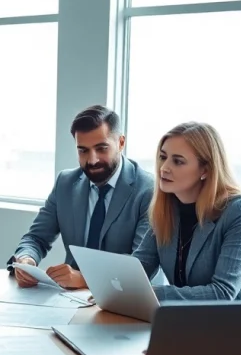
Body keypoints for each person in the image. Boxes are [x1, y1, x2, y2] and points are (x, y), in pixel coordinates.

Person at [9, 105, 155, 289]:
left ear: (121, 143)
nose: (92, 160)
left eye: (101, 148)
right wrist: (26, 260)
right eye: (83, 150)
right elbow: (36, 238)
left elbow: (141, 264)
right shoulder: (65, 183)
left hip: (130, 299)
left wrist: (86, 278)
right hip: (71, 299)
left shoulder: (148, 190)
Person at [131, 121, 241, 300]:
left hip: (237, 322)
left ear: (206, 169)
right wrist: (113, 287)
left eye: (178, 161)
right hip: (185, 318)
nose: (164, 168)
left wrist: (148, 294)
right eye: (163, 157)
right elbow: (140, 266)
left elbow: (222, 293)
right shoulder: (167, 207)